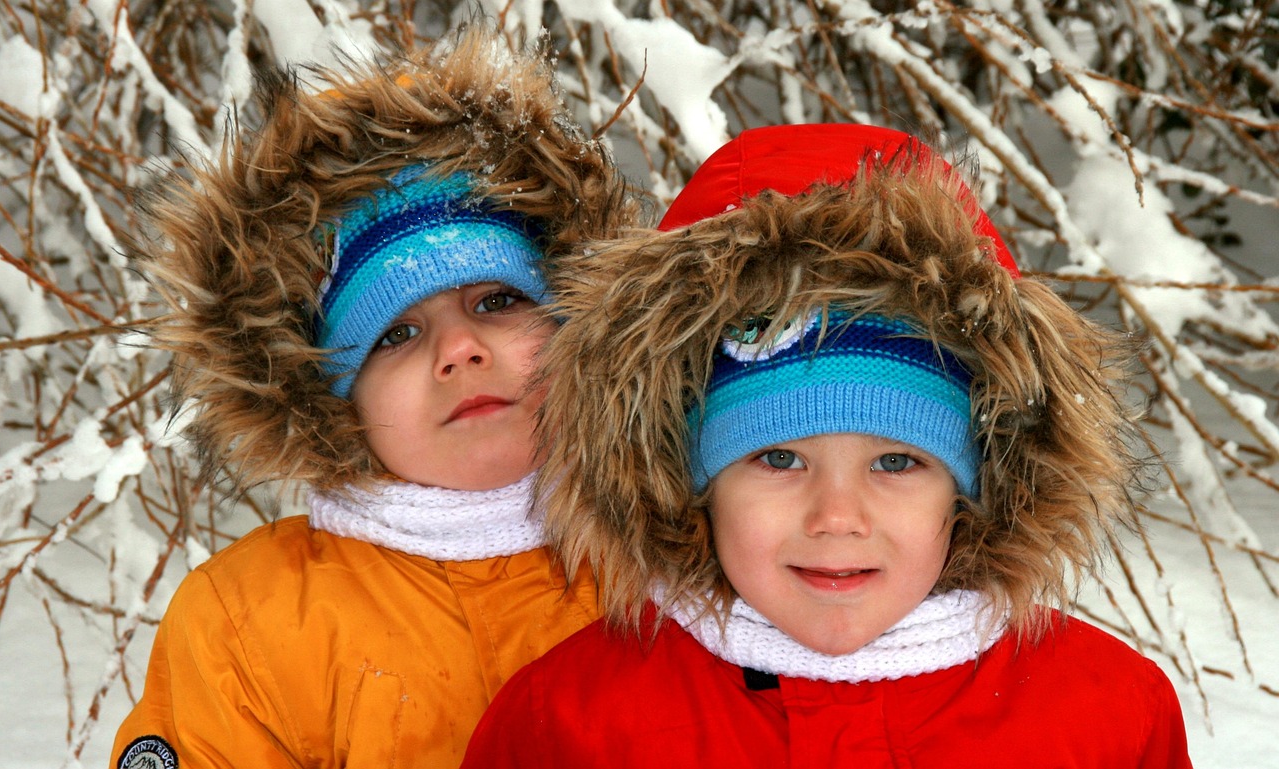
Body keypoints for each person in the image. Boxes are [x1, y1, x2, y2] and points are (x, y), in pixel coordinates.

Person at [461, 123, 1192, 768]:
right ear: (687, 479)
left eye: (897, 460)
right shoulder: (572, 723)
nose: (837, 516)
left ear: (980, 485)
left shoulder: (1108, 717)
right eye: (778, 457)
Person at [110, 25, 633, 769]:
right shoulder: (254, 621)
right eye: (395, 334)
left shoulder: (670, 553)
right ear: (330, 400)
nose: (460, 349)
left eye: (495, 301)